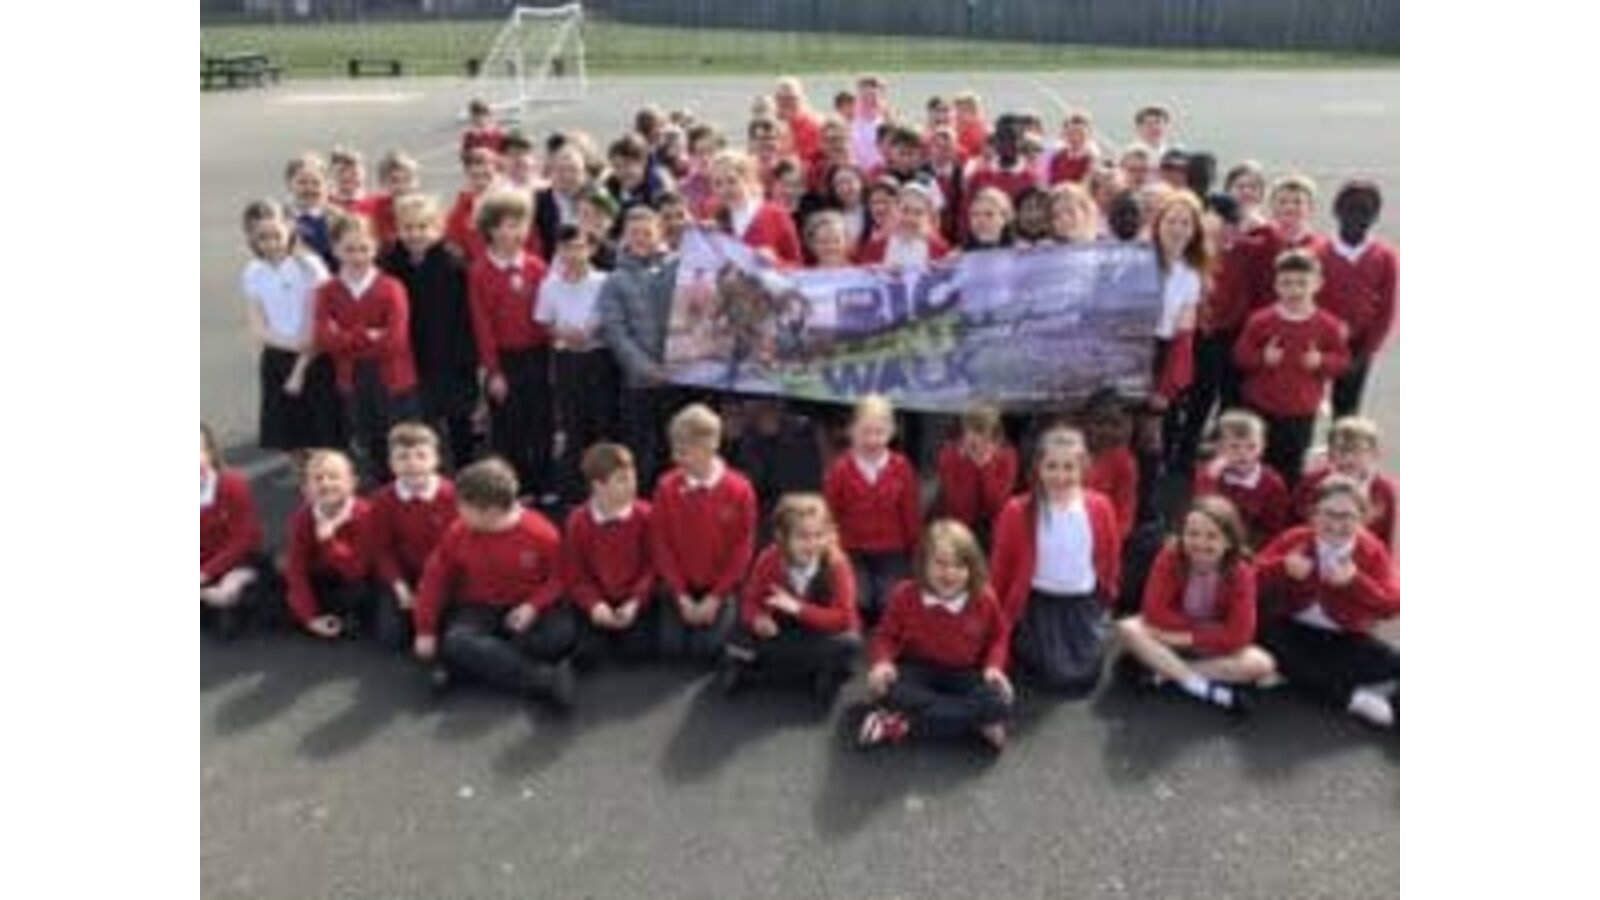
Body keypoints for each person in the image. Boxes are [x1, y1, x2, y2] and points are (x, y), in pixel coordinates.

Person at [412, 458, 578, 708]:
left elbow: (560, 578)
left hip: (527, 607)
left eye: (464, 506)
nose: (458, 511)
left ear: (489, 511)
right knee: (457, 639)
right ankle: (543, 679)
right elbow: (433, 579)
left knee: (560, 635)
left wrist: (533, 606)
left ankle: (469, 665)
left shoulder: (542, 533)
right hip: (479, 606)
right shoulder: (458, 532)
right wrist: (424, 629)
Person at [1256, 475, 1400, 730]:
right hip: (1291, 629)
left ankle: (1294, 674)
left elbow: (1392, 606)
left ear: (1363, 518)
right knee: (1263, 631)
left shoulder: (1373, 551)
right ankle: (1351, 699)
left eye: (1346, 516)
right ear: (1313, 514)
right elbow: (1247, 579)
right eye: (1328, 514)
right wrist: (1281, 568)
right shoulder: (1295, 538)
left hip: (1343, 637)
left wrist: (1356, 582)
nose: (1335, 524)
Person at [989, 426, 1122, 696]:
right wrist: (995, 608)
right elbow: (1001, 565)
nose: (1060, 476)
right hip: (1037, 603)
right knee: (1043, 670)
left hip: (1081, 602)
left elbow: (1109, 555)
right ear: (1038, 467)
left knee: (1081, 675)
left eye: (1069, 467)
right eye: (1051, 466)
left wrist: (1106, 595)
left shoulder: (1100, 506)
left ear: (1083, 468)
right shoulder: (1017, 511)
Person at [859, 519, 1014, 751]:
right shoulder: (905, 594)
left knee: (1000, 700)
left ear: (972, 568)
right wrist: (883, 662)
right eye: (941, 564)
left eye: (959, 565)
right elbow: (885, 635)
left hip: (965, 673)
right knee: (887, 689)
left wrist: (994, 667)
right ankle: (975, 721)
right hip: (918, 669)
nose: (949, 573)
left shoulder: (983, 598)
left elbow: (998, 638)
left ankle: (903, 724)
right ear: (924, 564)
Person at [1114, 495, 1275, 715]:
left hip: (1205, 645)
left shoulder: (1242, 573)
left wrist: (1187, 638)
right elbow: (1154, 612)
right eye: (1193, 534)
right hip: (1176, 635)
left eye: (1212, 536)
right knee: (1127, 628)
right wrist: (1200, 632)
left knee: (1262, 664)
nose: (1200, 543)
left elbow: (1240, 634)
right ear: (1182, 535)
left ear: (1229, 541)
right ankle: (1204, 688)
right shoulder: (1169, 556)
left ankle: (1164, 673)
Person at [720, 494, 863, 701]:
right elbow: (750, 600)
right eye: (802, 537)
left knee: (849, 642)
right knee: (736, 627)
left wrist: (797, 607)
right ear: (782, 537)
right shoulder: (769, 558)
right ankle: (801, 668)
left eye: (819, 535)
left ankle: (789, 669)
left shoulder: (837, 564)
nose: (812, 544)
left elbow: (844, 618)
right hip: (781, 628)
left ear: (828, 534)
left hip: (819, 630)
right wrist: (759, 619)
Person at [313, 212, 419, 483]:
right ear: (335, 249)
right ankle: (383, 494)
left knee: (402, 446)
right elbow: (324, 339)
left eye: (364, 248)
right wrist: (368, 334)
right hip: (353, 379)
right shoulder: (327, 292)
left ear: (375, 247)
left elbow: (394, 342)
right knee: (370, 445)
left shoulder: (392, 287)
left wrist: (345, 336)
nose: (357, 256)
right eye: (349, 249)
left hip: (393, 380)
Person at [649, 404, 758, 664]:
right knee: (671, 648)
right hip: (680, 588)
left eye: (684, 452)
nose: (676, 458)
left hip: (718, 589)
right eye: (674, 449)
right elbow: (660, 544)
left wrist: (715, 597)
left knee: (706, 650)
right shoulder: (665, 487)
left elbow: (742, 551)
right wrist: (681, 595)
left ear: (711, 445)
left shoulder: (740, 489)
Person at [381, 192, 481, 469]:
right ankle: (429, 471)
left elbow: (468, 312)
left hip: (453, 356)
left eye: (422, 227)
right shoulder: (391, 262)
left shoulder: (453, 262)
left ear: (437, 228)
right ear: (398, 228)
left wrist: (469, 354)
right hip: (414, 356)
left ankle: (464, 468)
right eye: (408, 227)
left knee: (459, 418)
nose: (415, 234)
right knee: (423, 420)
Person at [1233, 249, 1349, 485]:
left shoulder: (1328, 325)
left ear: (1317, 284)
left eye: (1302, 283)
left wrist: (1321, 361)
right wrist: (1262, 357)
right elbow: (1240, 356)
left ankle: (1286, 505)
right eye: (1286, 283)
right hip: (1260, 407)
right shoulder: (1260, 320)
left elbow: (1342, 362)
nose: (1294, 290)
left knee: (1291, 466)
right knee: (1257, 463)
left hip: (1300, 411)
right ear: (1276, 285)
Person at [239, 198, 345, 459]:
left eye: (276, 235)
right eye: (262, 238)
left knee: (322, 439)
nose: (271, 243)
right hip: (278, 357)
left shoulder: (310, 266)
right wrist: (291, 344)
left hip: (315, 359)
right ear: (252, 238)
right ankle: (302, 481)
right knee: (290, 442)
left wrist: (299, 370)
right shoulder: (252, 271)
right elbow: (258, 327)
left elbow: (317, 321)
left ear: (289, 229)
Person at [467, 189, 554, 502]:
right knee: (509, 424)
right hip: (504, 358)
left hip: (537, 355)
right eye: (508, 225)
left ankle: (545, 482)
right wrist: (493, 372)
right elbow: (482, 325)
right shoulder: (479, 271)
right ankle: (520, 484)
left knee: (541, 420)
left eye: (521, 225)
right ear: (490, 229)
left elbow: (547, 315)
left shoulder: (537, 266)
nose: (516, 232)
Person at [598, 206, 681, 489]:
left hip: (676, 375)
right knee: (641, 450)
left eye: (647, 233)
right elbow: (616, 333)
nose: (642, 239)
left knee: (673, 448)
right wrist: (647, 369)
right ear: (625, 237)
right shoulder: (614, 280)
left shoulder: (677, 268)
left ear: (659, 234)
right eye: (635, 233)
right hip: (638, 382)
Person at [534, 224, 619, 499]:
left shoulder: (604, 281)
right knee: (573, 423)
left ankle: (607, 484)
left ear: (591, 249)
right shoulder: (550, 285)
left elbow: (614, 316)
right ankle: (576, 490)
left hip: (599, 358)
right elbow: (544, 321)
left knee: (603, 421)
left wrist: (593, 331)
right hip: (567, 360)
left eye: (579, 247)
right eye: (566, 248)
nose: (573, 254)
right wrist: (562, 334)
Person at [824, 394, 921, 623]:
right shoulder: (840, 469)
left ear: (891, 432)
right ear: (852, 431)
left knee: (890, 601)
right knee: (859, 600)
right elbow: (829, 513)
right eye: (865, 432)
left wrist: (915, 549)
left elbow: (910, 512)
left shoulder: (901, 467)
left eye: (879, 433)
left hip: (892, 550)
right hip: (852, 549)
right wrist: (831, 547)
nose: (872, 440)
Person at [563, 443, 659, 664]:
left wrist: (635, 601)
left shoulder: (646, 515)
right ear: (598, 486)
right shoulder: (578, 521)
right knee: (588, 654)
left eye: (633, 478)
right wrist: (594, 604)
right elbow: (576, 574)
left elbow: (652, 566)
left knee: (639, 652)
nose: (632, 485)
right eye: (622, 480)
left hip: (635, 600)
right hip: (598, 599)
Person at [366, 423, 458, 651]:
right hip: (406, 574)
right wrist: (399, 585)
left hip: (445, 575)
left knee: (449, 629)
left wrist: (435, 590)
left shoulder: (453, 495)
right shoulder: (381, 500)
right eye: (403, 457)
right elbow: (381, 550)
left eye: (421, 455)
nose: (412, 463)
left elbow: (459, 548)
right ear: (391, 463)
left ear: (436, 459)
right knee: (391, 638)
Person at [1316, 180, 1399, 418]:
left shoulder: (1385, 257)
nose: (1357, 216)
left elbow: (1387, 309)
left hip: (1358, 345)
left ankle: (1341, 442)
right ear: (1336, 211)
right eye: (1350, 208)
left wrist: (1366, 352)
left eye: (1365, 210)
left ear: (1375, 216)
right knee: (1307, 401)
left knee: (1347, 407)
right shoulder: (1318, 251)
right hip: (1319, 341)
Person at [284, 450, 376, 640]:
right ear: (305, 489)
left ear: (352, 483)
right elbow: (296, 568)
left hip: (354, 578)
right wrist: (310, 617)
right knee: (286, 589)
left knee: (362, 592)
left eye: (334, 477)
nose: (325, 484)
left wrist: (329, 542)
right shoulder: (302, 517)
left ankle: (349, 617)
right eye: (318, 479)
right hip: (322, 577)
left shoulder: (364, 514)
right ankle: (321, 617)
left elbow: (356, 570)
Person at [201, 423, 272, 640]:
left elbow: (243, 539)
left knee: (234, 582)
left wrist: (206, 572)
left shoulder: (232, 484)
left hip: (235, 559)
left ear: (210, 454)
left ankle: (225, 598)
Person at [1294, 417, 1398, 551]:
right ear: (1330, 453)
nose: (1348, 458)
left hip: (1364, 555)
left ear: (1374, 453)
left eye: (1357, 451)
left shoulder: (1383, 490)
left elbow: (1387, 537)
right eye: (1341, 450)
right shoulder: (1312, 483)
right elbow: (1294, 526)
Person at [1193, 409, 1293, 545]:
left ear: (1263, 447)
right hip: (1212, 536)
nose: (1243, 453)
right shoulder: (1211, 474)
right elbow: (1202, 507)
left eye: (1251, 447)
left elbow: (1275, 525)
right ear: (1220, 448)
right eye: (1234, 447)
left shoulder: (1272, 482)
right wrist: (1211, 477)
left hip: (1252, 542)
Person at [933, 402, 1017, 545]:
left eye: (979, 431)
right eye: (969, 429)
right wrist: (967, 463)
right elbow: (957, 503)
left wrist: (985, 468)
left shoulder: (1007, 456)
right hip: (959, 528)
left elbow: (996, 504)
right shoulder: (949, 454)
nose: (972, 437)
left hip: (993, 530)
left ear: (992, 432)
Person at [710, 149, 803, 266]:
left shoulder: (775, 215)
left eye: (732, 181)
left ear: (747, 179)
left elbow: (797, 265)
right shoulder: (717, 220)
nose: (725, 190)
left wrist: (775, 261)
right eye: (718, 184)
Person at [854, 182, 950, 265]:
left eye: (918, 213)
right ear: (895, 210)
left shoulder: (939, 250)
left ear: (927, 217)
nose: (910, 218)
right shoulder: (877, 246)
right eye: (905, 210)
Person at [442, 146, 505, 264]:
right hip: (474, 267)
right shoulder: (464, 201)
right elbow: (451, 236)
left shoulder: (510, 198)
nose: (478, 170)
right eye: (472, 164)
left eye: (484, 164)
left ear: (497, 168)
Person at [284, 153, 337, 270]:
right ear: (289, 184)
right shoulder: (278, 219)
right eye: (302, 182)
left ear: (327, 185)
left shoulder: (339, 220)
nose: (309, 188)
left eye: (316, 183)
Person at [1047, 110, 1099, 186]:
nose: (1075, 138)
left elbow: (1085, 182)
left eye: (1079, 133)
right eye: (1071, 133)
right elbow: (1049, 177)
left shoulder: (1090, 156)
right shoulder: (1059, 153)